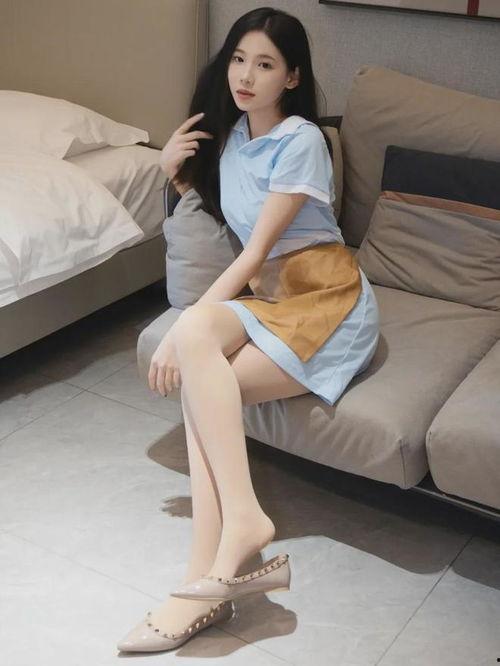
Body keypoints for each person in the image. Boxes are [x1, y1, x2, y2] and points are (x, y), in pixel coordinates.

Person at [117, 6, 379, 653]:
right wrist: (172, 171)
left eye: (265, 65)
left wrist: (180, 332)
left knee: (196, 356)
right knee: (204, 386)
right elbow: (226, 225)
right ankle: (219, 566)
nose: (246, 75)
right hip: (272, 299)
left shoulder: (301, 140)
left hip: (326, 297)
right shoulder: (233, 137)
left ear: (292, 77)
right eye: (239, 59)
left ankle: (209, 572)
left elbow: (256, 252)